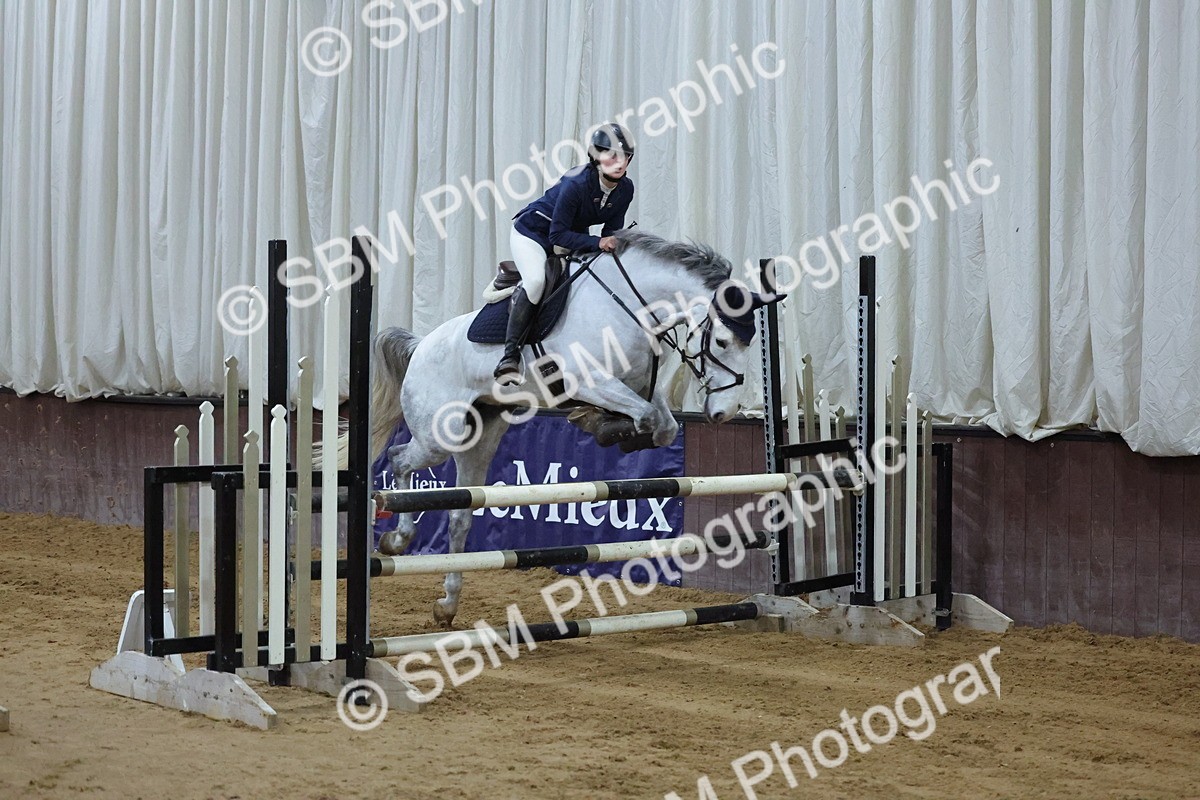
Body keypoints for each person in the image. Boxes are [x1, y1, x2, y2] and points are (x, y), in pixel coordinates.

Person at [493, 122, 636, 385]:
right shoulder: (576, 182)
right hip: (534, 233)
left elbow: (611, 232)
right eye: (612, 156)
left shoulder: (626, 189)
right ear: (596, 157)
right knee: (536, 282)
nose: (620, 162)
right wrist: (598, 242)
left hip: (571, 236)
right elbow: (557, 236)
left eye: (625, 156)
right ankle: (509, 356)